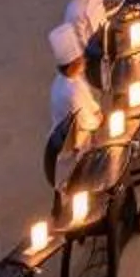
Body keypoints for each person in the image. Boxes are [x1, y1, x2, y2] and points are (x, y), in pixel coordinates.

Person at [44, 24, 100, 186]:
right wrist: (98, 119)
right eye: (79, 59)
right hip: (75, 144)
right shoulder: (70, 92)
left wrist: (95, 109)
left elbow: (87, 99)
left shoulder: (65, 80)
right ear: (72, 65)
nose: (83, 60)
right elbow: (86, 121)